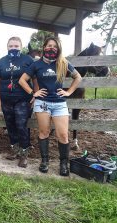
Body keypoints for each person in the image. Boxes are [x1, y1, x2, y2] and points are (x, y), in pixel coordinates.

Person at [19, 37, 82, 176]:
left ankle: (64, 164)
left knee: (63, 135)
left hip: (59, 103)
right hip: (43, 104)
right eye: (48, 45)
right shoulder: (37, 64)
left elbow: (78, 77)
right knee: (44, 133)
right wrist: (33, 93)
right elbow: (22, 80)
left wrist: (69, 92)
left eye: (54, 46)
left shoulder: (63, 63)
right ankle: (44, 161)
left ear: (58, 48)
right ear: (44, 47)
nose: (51, 48)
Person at [0, 37, 36, 168]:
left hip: (23, 99)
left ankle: (24, 154)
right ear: (7, 47)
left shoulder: (28, 60)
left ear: (21, 47)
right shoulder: (1, 62)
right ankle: (15, 151)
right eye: (11, 46)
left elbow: (35, 78)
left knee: (21, 125)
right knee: (10, 126)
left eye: (16, 46)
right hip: (6, 100)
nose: (13, 48)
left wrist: (35, 94)